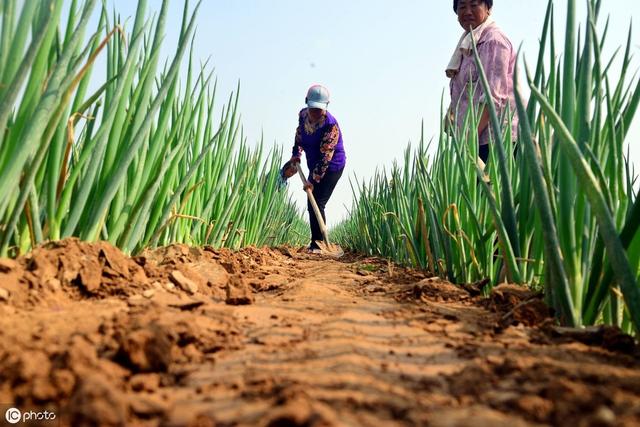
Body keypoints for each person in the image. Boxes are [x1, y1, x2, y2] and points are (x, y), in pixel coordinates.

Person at [446, 0, 518, 165]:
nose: (468, 11)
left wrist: (469, 136)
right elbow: (468, 89)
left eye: (474, 5)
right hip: (479, 138)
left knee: (496, 189)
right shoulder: (469, 43)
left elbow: (492, 97)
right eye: (462, 7)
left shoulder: (493, 41)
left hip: (497, 138)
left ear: (488, 8)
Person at [287, 85, 346, 252]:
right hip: (314, 164)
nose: (315, 112)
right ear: (307, 103)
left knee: (317, 202)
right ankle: (316, 243)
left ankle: (319, 243)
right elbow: (299, 136)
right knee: (311, 203)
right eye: (312, 108)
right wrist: (296, 153)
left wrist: (312, 180)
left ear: (325, 107)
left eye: (319, 109)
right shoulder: (303, 115)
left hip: (332, 167)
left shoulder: (330, 126)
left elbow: (326, 157)